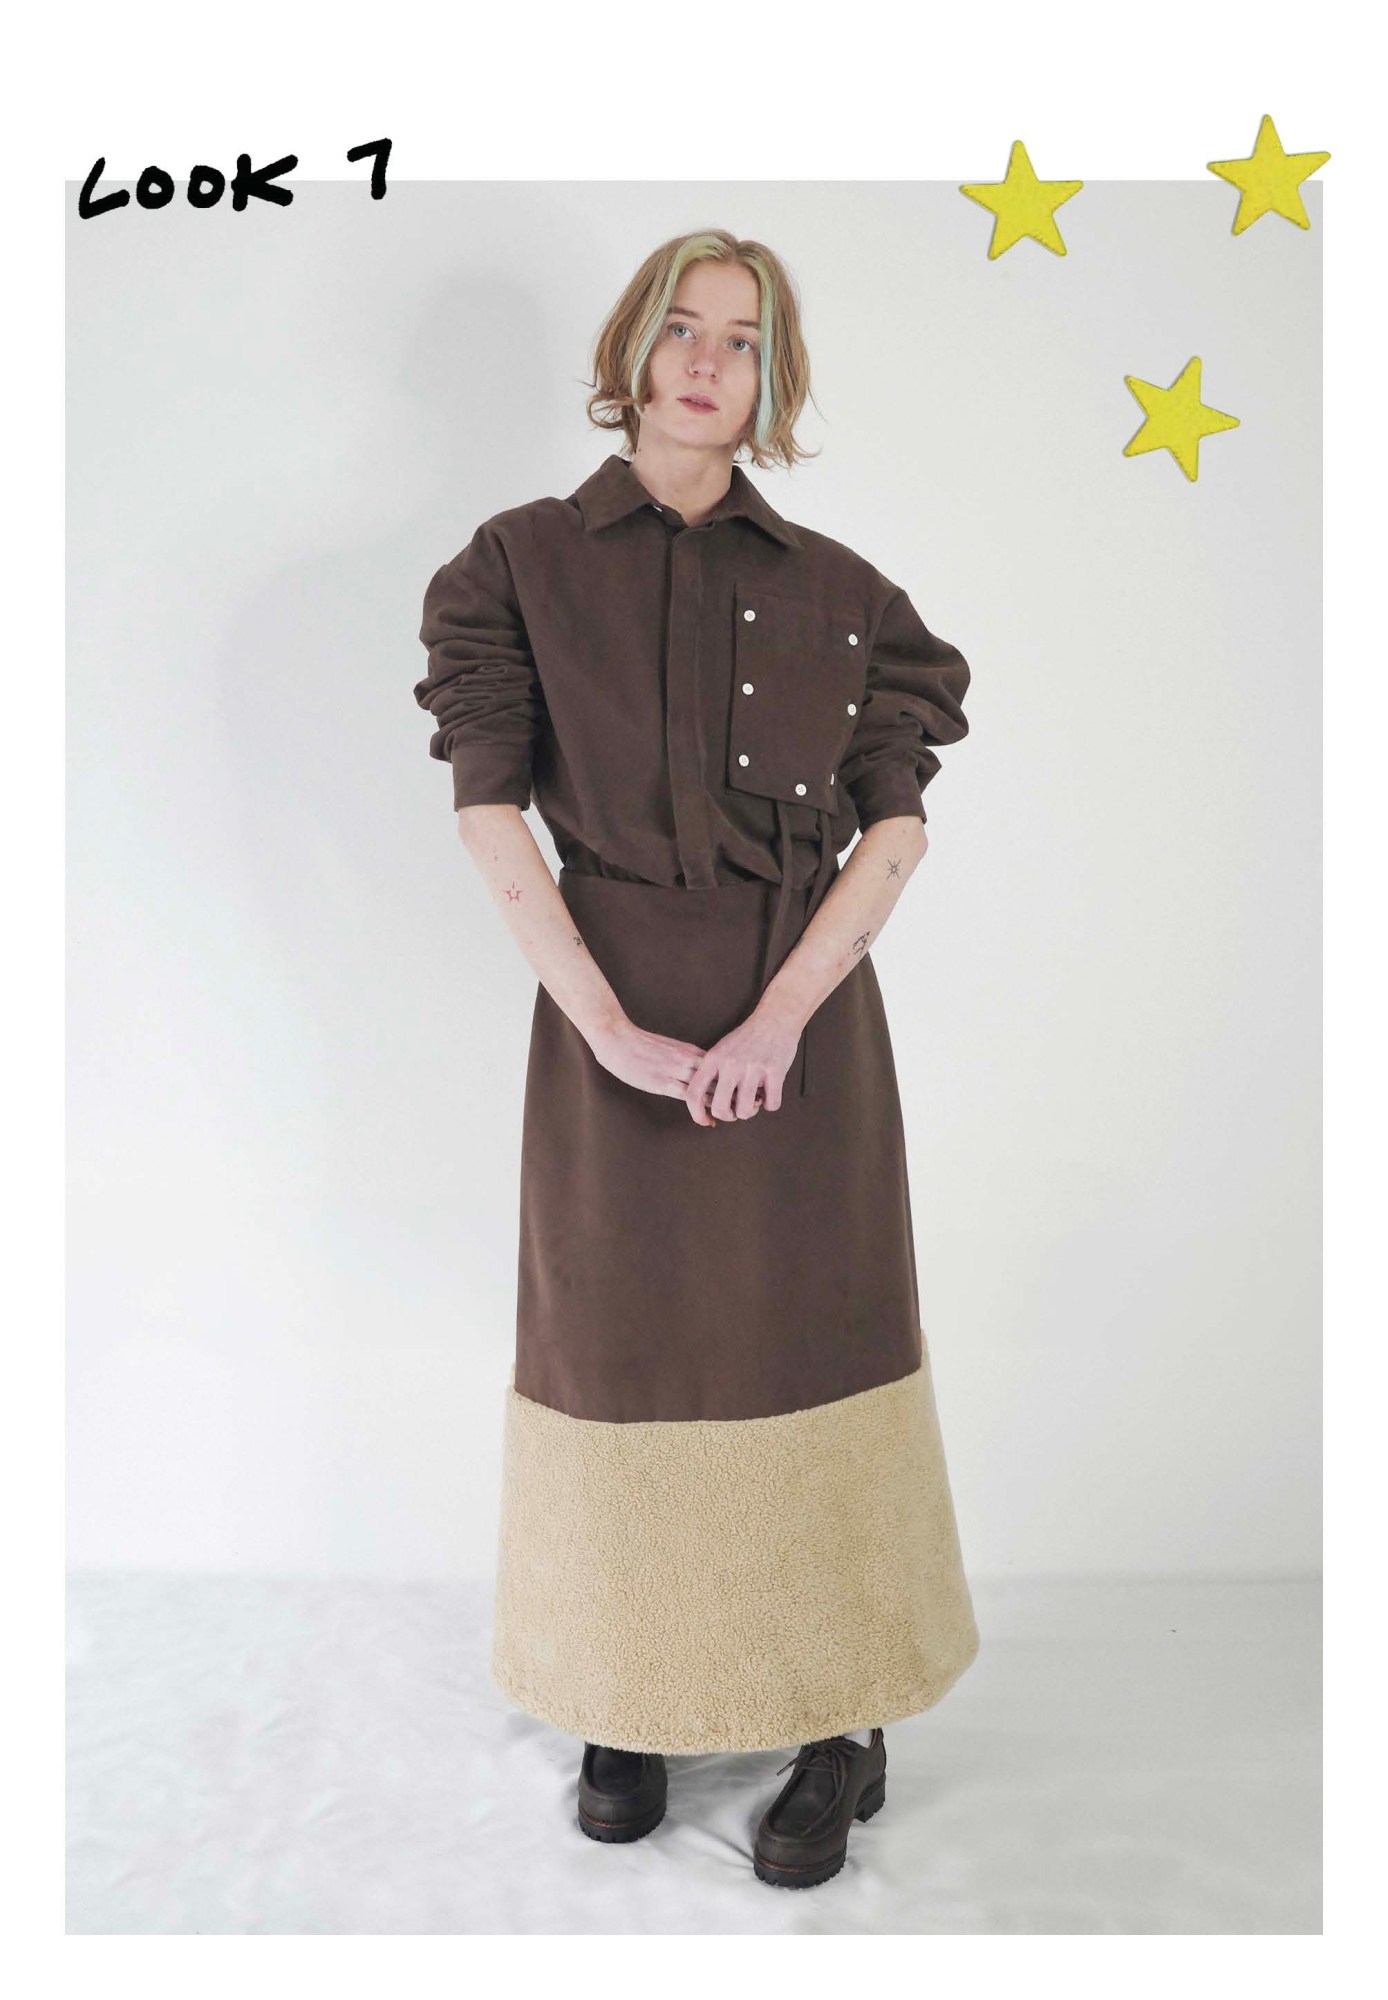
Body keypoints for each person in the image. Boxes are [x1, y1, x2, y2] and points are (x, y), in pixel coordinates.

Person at [413, 228, 979, 1890]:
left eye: (744, 338)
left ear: (771, 378)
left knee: (819, 1343)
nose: (708, 361)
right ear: (633, 348)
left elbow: (895, 832)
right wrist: (607, 1027)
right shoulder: (516, 564)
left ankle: (842, 1717)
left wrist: (782, 1015)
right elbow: (489, 811)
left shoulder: (847, 594)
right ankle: (628, 1691)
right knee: (620, 1351)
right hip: (607, 1009)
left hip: (805, 1016)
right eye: (684, 327)